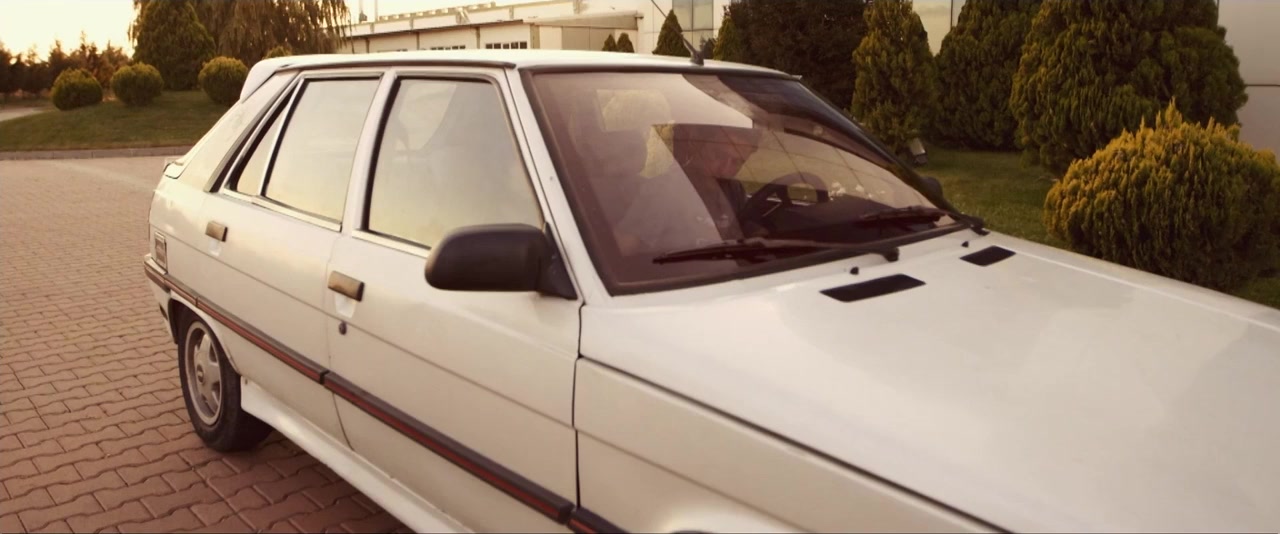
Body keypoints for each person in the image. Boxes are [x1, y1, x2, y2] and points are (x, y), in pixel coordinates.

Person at [609, 124, 763, 257]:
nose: (725, 169)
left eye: (737, 162)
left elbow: (747, 230)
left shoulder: (734, 189)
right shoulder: (665, 189)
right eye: (718, 155)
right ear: (697, 145)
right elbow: (623, 248)